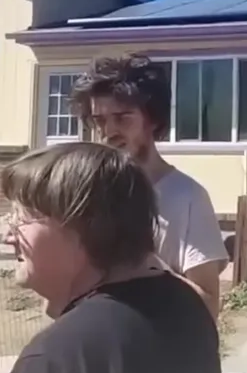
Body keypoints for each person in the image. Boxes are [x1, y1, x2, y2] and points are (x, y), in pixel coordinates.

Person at [0, 142, 225, 373]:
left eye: (21, 218)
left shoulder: (59, 362)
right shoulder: (185, 304)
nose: (8, 236)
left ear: (80, 226)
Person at [71, 54, 231, 319]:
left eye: (123, 118)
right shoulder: (87, 195)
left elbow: (208, 308)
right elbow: (57, 304)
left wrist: (141, 262)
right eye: (100, 121)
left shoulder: (187, 197)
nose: (108, 132)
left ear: (153, 119)